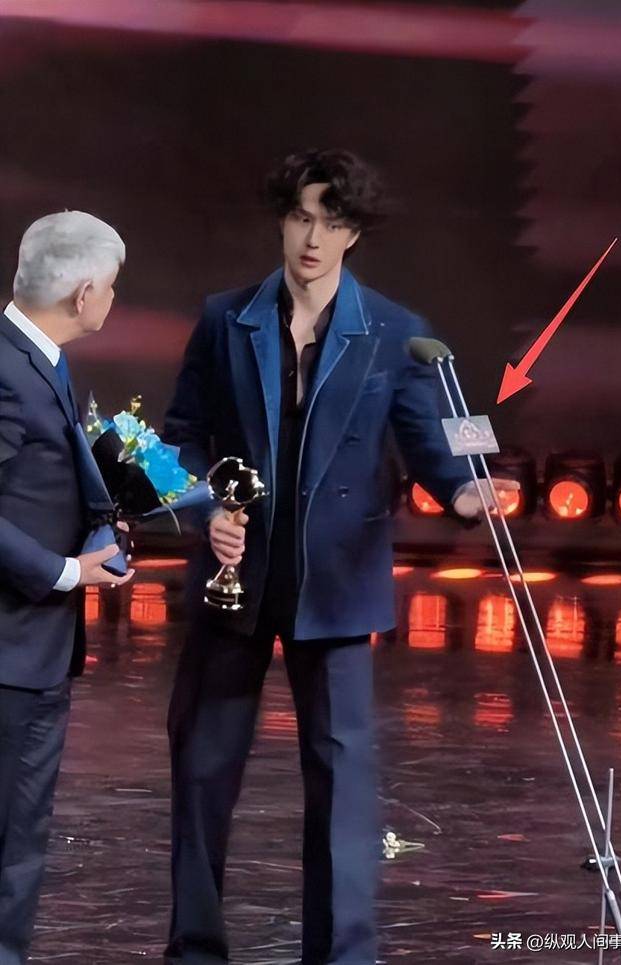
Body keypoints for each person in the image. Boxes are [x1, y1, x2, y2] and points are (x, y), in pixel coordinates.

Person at [163, 148, 517, 965]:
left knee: (343, 788)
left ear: (355, 232)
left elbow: (431, 439)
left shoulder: (394, 329)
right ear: (282, 220)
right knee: (202, 775)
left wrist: (466, 490)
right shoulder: (225, 317)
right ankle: (194, 949)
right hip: (234, 580)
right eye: (300, 218)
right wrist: (207, 506)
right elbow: (179, 439)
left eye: (332, 222)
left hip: (337, 584)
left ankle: (344, 955)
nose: (313, 239)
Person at [0, 211, 135, 964]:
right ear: (84, 293)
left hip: (32, 651)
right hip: (11, 649)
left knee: (19, 841)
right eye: (111, 287)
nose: (112, 298)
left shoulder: (37, 358)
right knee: (10, 844)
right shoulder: (8, 367)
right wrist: (63, 572)